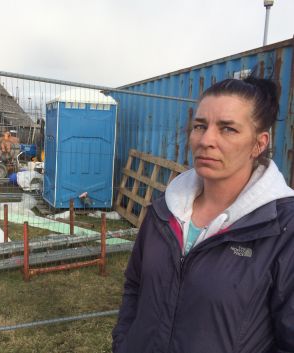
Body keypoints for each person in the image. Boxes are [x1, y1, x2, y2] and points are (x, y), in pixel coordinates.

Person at [112, 76, 294, 353]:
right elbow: (135, 287)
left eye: (228, 129)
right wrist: (124, 343)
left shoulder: (283, 229)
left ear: (259, 143)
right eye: (200, 126)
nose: (206, 139)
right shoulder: (164, 211)